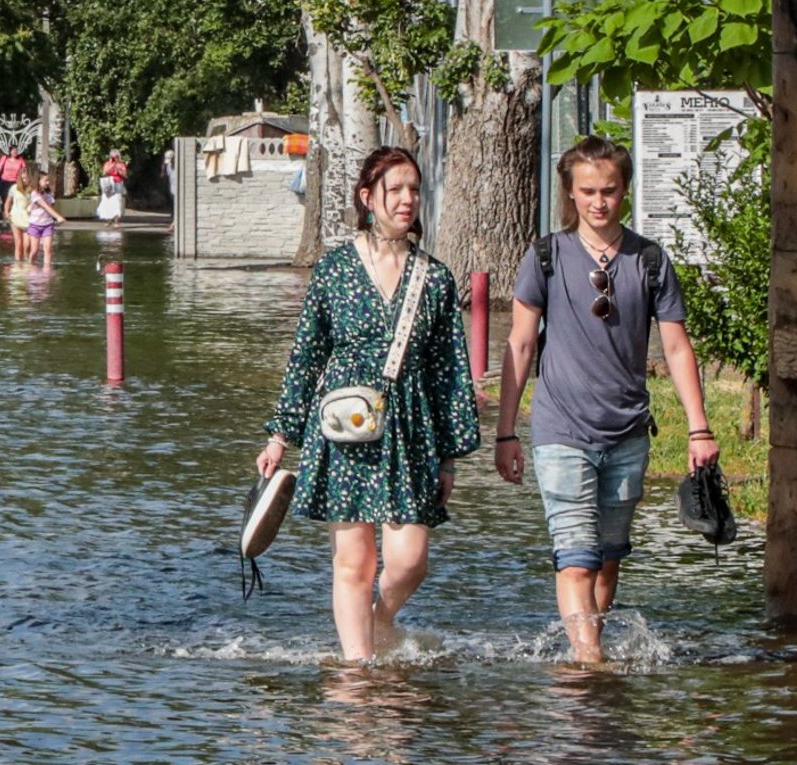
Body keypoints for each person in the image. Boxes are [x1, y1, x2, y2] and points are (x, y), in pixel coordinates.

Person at [494, 135, 720, 664]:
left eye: (610, 191)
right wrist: (506, 432)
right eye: (588, 191)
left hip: (627, 433)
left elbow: (677, 347)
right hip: (561, 429)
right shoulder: (546, 256)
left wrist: (699, 427)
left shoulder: (650, 261)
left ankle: (581, 655)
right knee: (575, 560)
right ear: (570, 194)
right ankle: (591, 665)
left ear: (626, 191)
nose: (599, 201)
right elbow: (521, 344)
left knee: (607, 558)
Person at [255, 146, 481, 662]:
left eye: (414, 190)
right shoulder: (334, 270)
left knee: (409, 561)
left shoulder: (436, 278)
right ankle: (357, 673)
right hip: (343, 426)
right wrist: (279, 437)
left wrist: (449, 456)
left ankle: (379, 622)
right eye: (395, 190)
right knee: (353, 562)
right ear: (367, 197)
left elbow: (450, 371)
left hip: (410, 428)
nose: (407, 200)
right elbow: (307, 355)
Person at [26, 172, 67, 269]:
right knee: (35, 250)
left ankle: (46, 269)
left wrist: (54, 218)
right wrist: (58, 217)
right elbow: (45, 207)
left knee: (48, 249)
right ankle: (30, 265)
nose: (48, 182)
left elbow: (51, 207)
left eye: (48, 180)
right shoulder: (35, 194)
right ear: (38, 181)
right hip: (35, 225)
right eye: (45, 180)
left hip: (48, 224)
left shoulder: (49, 194)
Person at [3, 167, 36, 260]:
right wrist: (6, 212)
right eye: (23, 178)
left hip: (28, 218)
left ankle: (27, 261)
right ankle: (18, 265)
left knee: (27, 244)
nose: (25, 180)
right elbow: (7, 202)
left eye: (27, 178)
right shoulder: (14, 188)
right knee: (19, 244)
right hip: (15, 217)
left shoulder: (33, 189)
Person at [97, 149, 127, 228]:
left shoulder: (121, 164)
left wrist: (119, 169)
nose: (115, 159)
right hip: (109, 184)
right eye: (113, 157)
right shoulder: (107, 164)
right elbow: (104, 173)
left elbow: (125, 175)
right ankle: (108, 220)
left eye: (116, 157)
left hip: (118, 183)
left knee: (117, 201)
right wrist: (111, 167)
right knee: (108, 201)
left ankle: (116, 221)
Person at [161, 149, 177, 234]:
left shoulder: (179, 165)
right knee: (175, 208)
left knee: (178, 208)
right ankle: (174, 224)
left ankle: (173, 225)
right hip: (172, 190)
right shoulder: (168, 166)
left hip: (177, 191)